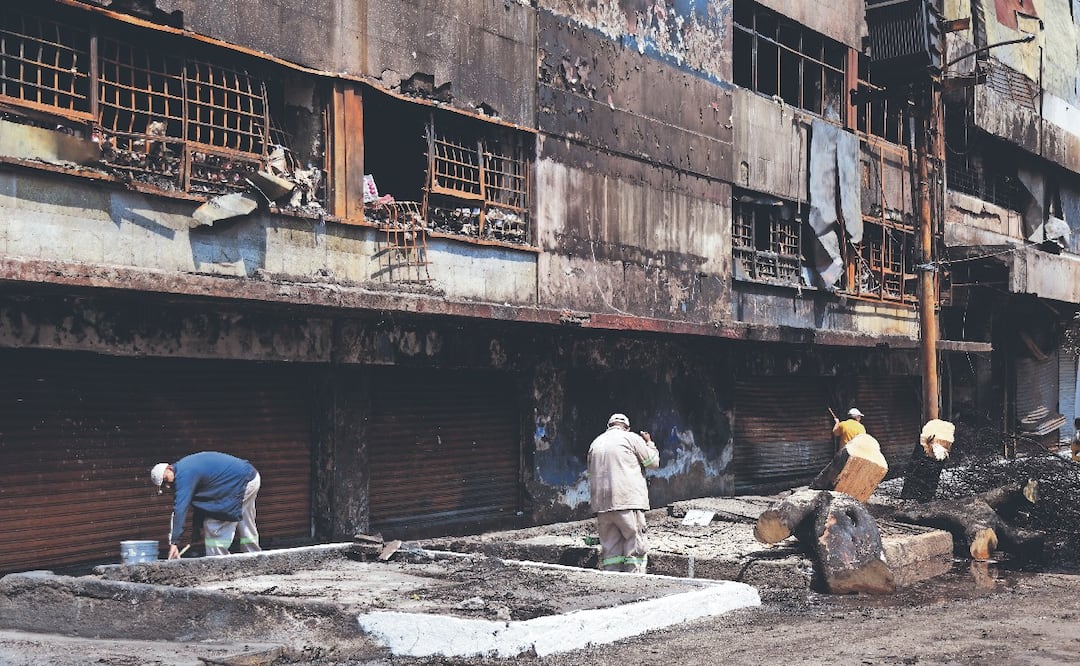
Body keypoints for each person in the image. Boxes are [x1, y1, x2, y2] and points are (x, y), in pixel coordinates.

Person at [150, 451, 262, 559]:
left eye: (165, 480)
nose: (168, 486)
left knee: (213, 524)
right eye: (164, 486)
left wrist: (174, 543)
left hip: (241, 481)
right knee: (245, 521)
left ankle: (218, 563)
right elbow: (202, 503)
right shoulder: (185, 469)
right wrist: (196, 529)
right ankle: (254, 557)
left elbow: (180, 509)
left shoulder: (183, 475)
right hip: (250, 476)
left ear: (169, 468)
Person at [587, 413, 660, 574]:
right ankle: (635, 583)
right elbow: (653, 463)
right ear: (626, 427)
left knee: (611, 552)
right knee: (635, 546)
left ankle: (613, 583)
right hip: (627, 502)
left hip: (602, 506)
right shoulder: (631, 438)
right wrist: (649, 443)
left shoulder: (596, 443)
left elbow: (590, 474)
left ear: (609, 426)